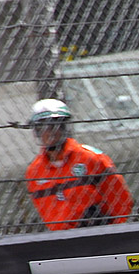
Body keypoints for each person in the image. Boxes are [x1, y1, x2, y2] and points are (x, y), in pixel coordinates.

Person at [25, 99, 133, 231]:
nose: (49, 132)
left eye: (54, 125)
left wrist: (113, 230)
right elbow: (47, 214)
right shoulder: (34, 172)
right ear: (36, 131)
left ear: (64, 127)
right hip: (62, 241)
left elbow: (120, 198)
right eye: (42, 127)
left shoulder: (91, 158)